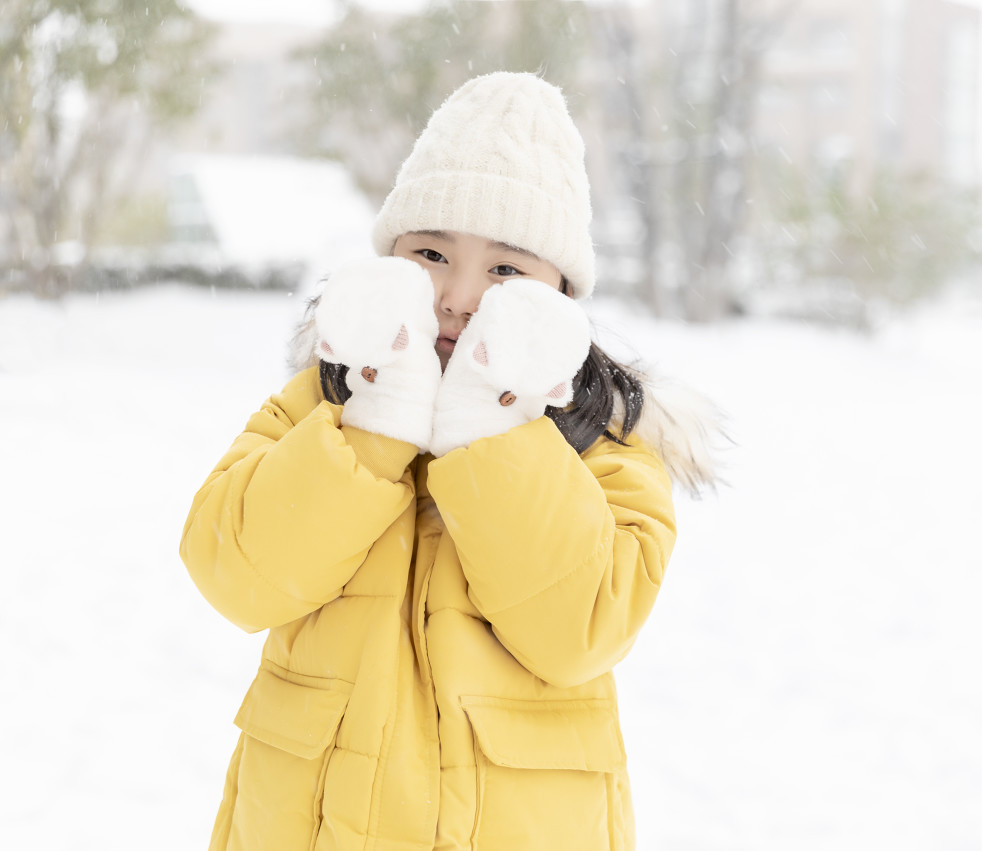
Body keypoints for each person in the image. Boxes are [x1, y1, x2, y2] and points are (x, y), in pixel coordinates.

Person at [179, 72, 720, 851]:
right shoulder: (322, 403)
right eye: (432, 252)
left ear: (560, 293)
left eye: (506, 269)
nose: (458, 296)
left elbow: (580, 628)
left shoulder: (606, 441)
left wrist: (495, 435)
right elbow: (236, 572)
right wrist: (371, 428)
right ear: (390, 257)